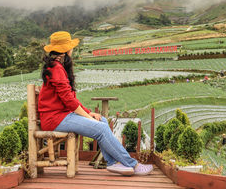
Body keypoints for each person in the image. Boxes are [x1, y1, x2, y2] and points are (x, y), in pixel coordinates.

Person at [38, 31, 153, 176]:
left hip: (61, 116)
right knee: (101, 129)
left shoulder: (56, 67)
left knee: (102, 120)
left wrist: (89, 113)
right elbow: (68, 100)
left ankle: (113, 164)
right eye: (71, 46)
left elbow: (70, 98)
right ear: (66, 49)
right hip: (55, 119)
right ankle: (132, 165)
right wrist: (86, 115)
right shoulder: (56, 68)